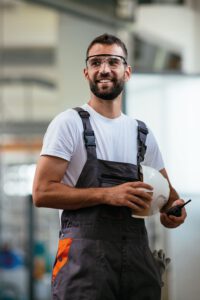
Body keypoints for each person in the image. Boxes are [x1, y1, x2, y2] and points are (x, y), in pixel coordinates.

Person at [32, 33, 187, 300]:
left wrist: (173, 213)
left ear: (127, 72)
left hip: (137, 258)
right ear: (86, 72)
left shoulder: (142, 133)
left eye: (113, 62)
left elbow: (169, 202)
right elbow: (42, 193)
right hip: (83, 263)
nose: (104, 69)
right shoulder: (69, 123)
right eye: (96, 62)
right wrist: (108, 194)